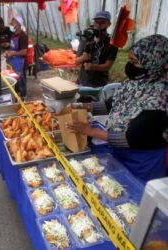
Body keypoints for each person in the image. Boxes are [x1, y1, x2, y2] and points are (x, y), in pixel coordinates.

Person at [68, 34, 168, 183]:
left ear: (152, 63)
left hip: (142, 161)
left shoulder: (161, 98)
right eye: (129, 59)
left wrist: (91, 132)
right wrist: (77, 106)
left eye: (134, 62)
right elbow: (109, 105)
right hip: (119, 152)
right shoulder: (136, 82)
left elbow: (132, 138)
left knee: (133, 198)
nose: (129, 65)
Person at [75, 11, 118, 88]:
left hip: (99, 84)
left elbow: (108, 66)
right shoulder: (86, 38)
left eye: (102, 23)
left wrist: (93, 66)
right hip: (82, 81)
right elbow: (76, 61)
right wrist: (83, 57)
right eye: (96, 22)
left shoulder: (112, 44)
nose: (98, 25)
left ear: (108, 24)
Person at [5, 16, 28, 98]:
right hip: (14, 62)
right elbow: (13, 47)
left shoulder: (23, 36)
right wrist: (8, 50)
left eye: (13, 22)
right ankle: (17, 95)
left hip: (21, 63)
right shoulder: (14, 35)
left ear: (18, 24)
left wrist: (13, 53)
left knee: (21, 81)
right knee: (15, 80)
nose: (11, 24)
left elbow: (24, 51)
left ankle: (23, 97)